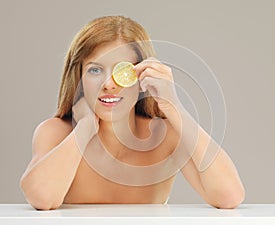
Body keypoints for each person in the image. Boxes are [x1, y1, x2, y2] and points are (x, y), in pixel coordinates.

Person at [20, 16, 245, 210]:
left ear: (141, 78)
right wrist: (85, 128)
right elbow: (42, 198)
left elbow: (229, 196)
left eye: (123, 70)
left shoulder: (165, 136)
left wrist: (173, 106)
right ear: (78, 78)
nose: (109, 84)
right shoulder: (55, 132)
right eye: (95, 70)